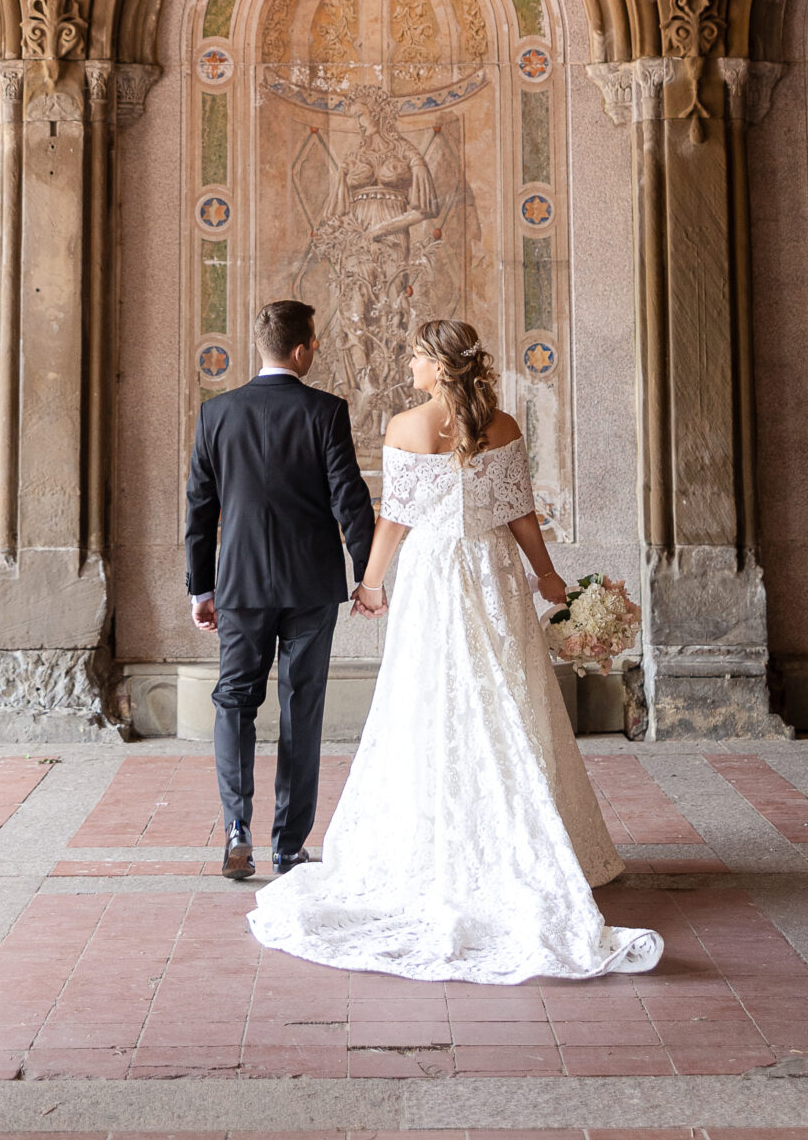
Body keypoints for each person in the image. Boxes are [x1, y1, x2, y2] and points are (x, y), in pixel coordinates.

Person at [248, 316, 663, 984]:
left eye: (414, 357)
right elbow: (520, 513)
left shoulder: (405, 427)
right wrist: (548, 576)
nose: (407, 367)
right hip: (494, 571)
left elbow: (395, 517)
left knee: (430, 699)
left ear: (439, 366)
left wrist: (372, 583)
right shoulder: (502, 424)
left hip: (435, 575)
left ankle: (437, 840)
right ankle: (528, 841)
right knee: (507, 696)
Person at [185, 297, 379, 883]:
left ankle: (237, 832)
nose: (316, 349)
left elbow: (200, 508)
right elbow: (350, 499)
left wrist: (201, 587)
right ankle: (290, 846)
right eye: (315, 342)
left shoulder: (216, 413)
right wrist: (367, 576)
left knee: (234, 703)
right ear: (300, 350)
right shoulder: (326, 411)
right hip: (311, 585)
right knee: (302, 706)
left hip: (240, 584)